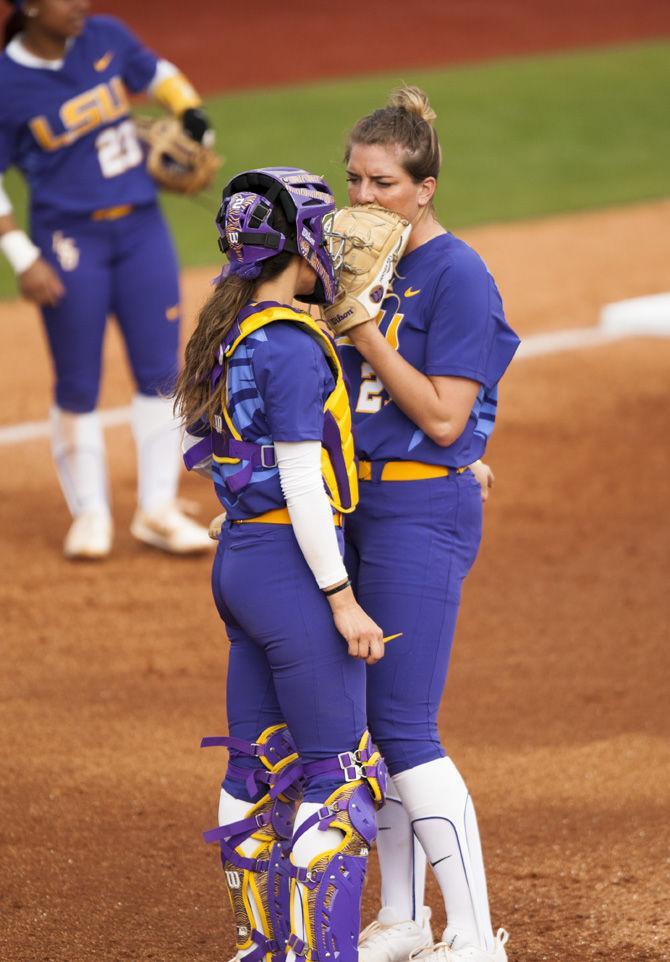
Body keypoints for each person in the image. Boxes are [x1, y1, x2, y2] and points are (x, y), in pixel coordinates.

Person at [175, 167, 389, 962]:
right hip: (291, 573)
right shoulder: (293, 344)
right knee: (337, 784)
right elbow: (301, 476)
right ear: (297, 244)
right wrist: (339, 596)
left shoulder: (230, 332)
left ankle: (258, 948)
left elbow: (219, 447)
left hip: (241, 562)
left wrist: (241, 512)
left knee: (256, 770)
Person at [334, 87, 521, 962]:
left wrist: (365, 332)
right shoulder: (356, 268)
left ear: (424, 188)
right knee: (369, 729)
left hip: (418, 509)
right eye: (354, 181)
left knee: (405, 725)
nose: (363, 199)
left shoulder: (458, 274)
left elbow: (445, 420)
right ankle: (403, 916)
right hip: (357, 506)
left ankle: (475, 936)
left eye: (381, 183)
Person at [0, 0, 214, 558]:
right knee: (77, 381)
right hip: (69, 242)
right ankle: (91, 514)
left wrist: (191, 112)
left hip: (142, 231)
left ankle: (157, 511)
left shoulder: (105, 36)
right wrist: (22, 256)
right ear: (27, 7)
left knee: (162, 372)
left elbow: (159, 73)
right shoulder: (7, 83)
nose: (80, 5)